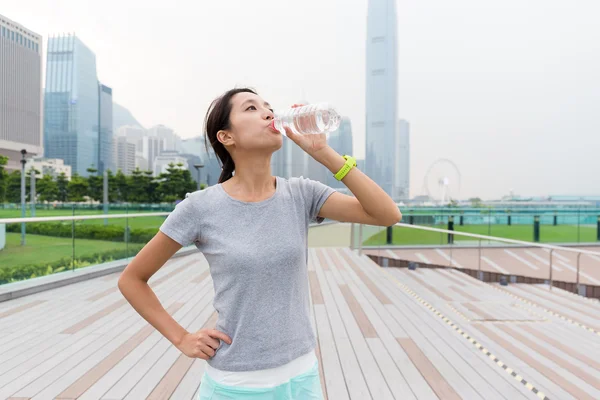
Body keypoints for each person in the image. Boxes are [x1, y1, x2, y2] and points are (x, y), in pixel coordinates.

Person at [117, 88, 401, 399]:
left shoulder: (301, 194)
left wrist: (323, 154)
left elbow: (386, 214)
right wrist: (182, 338)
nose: (268, 113)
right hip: (237, 385)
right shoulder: (199, 208)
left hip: (302, 377)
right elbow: (132, 279)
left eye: (268, 107)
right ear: (226, 137)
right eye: (252, 108)